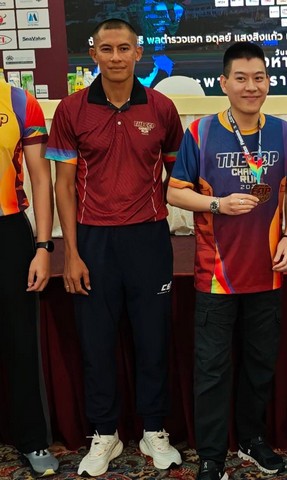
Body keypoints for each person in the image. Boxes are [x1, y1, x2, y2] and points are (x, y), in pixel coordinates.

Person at [45, 18, 183, 477]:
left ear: (138, 53)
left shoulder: (162, 108)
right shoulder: (71, 110)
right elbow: (64, 185)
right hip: (93, 241)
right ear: (94, 54)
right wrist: (71, 252)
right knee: (97, 343)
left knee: (153, 340)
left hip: (149, 239)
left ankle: (154, 429)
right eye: (107, 49)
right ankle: (105, 432)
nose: (117, 57)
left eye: (125, 48)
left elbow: (177, 177)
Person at [166, 41, 287, 480]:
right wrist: (217, 205)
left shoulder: (284, 133)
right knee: (212, 370)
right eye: (241, 78)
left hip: (268, 273)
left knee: (260, 365)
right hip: (216, 276)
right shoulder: (201, 132)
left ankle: (251, 440)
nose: (251, 86)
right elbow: (174, 192)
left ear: (268, 82)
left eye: (259, 78)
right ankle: (211, 456)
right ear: (224, 83)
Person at [0, 77, 59, 476]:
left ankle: (33, 440)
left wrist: (43, 246)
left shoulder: (20, 102)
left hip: (8, 232)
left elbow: (40, 178)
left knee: (20, 341)